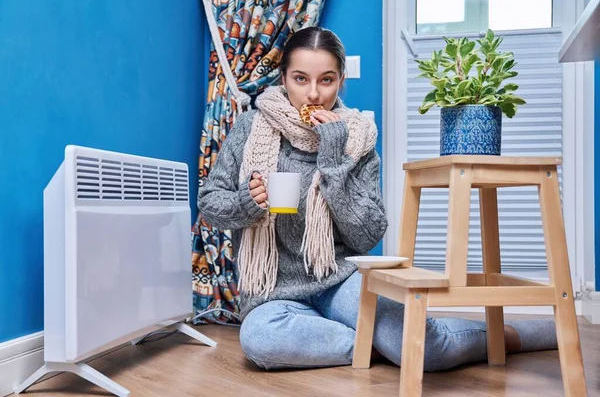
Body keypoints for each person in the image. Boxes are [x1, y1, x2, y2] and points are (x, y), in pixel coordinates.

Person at [198, 26, 557, 371]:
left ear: (340, 81)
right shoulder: (251, 127)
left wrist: (334, 161)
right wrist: (247, 202)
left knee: (429, 353)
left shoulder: (358, 138)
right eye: (300, 79)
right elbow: (210, 203)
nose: (313, 94)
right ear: (284, 78)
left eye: (326, 79)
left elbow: (367, 234)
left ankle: (508, 335)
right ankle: (391, 343)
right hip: (272, 293)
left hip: (339, 281)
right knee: (261, 339)